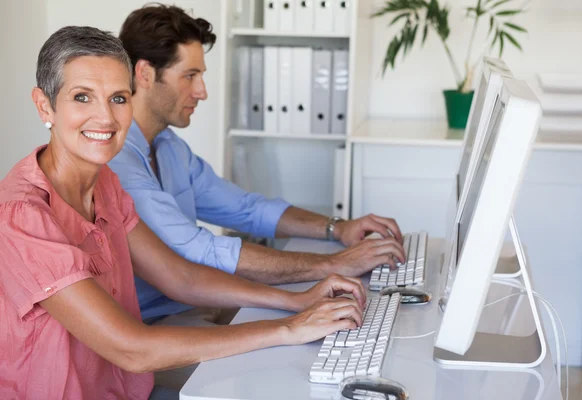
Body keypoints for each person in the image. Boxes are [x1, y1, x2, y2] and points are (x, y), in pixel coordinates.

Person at [0, 26, 368, 400]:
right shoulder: (23, 216)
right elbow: (133, 348)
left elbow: (180, 277)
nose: (106, 118)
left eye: (118, 98)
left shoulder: (105, 182)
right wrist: (290, 327)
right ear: (45, 105)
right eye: (83, 97)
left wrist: (295, 300)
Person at [109, 4, 406, 323]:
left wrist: (336, 228)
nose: (202, 92)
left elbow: (247, 209)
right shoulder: (117, 160)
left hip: (195, 306)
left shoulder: (169, 147)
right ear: (145, 74)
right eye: (190, 76)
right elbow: (197, 249)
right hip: (154, 323)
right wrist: (331, 264)